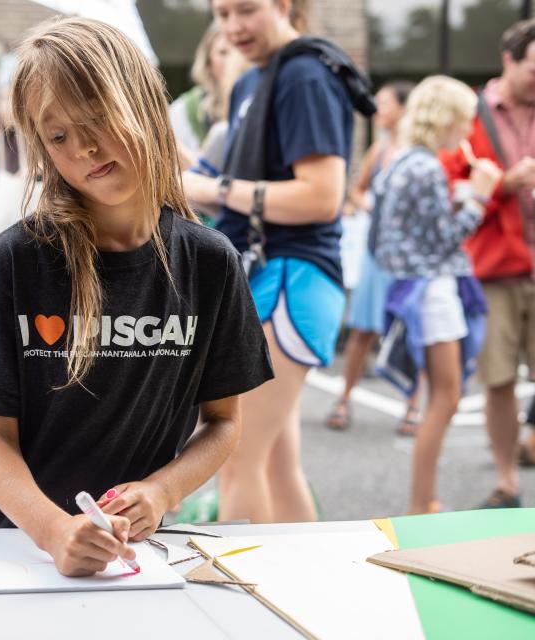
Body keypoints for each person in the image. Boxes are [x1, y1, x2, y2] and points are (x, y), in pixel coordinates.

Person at [0, 17, 273, 577]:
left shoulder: (211, 262)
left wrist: (162, 492)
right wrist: (53, 533)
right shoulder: (14, 261)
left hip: (133, 559)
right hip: (6, 550)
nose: (85, 148)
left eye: (96, 118)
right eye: (58, 136)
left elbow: (223, 422)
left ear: (143, 102)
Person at [182, 0, 373, 523]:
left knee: (236, 458)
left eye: (245, 10)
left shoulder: (305, 75)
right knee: (276, 463)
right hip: (273, 278)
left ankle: (242, 601)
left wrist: (212, 187)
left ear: (283, 5)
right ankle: (309, 594)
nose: (233, 26)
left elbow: (321, 195)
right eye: (221, 14)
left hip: (291, 278)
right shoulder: (257, 79)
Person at [371, 76, 501, 514]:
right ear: (445, 118)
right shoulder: (426, 166)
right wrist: (479, 197)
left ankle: (423, 499)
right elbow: (446, 239)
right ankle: (420, 501)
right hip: (432, 290)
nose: (468, 130)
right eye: (464, 120)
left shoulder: (401, 159)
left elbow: (387, 237)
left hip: (410, 287)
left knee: (440, 395)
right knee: (446, 397)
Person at [440, 19, 535, 509]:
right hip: (495, 268)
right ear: (509, 60)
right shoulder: (473, 115)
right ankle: (507, 483)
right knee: (498, 380)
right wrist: (503, 185)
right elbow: (452, 193)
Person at [326, 81, 420, 434]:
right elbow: (357, 188)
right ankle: (344, 398)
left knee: (413, 331)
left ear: (403, 108)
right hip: (376, 253)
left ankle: (412, 405)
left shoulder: (419, 151)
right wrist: (365, 204)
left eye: (384, 102)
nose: (378, 108)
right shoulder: (379, 149)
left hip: (410, 258)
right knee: (362, 329)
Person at [169, 22, 230, 158]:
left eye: (236, 51)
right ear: (208, 60)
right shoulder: (184, 109)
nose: (232, 60)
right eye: (223, 52)